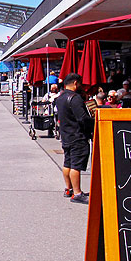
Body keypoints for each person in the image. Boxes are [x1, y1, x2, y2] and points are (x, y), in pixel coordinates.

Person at [55, 73, 92, 204]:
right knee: (76, 165)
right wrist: (91, 125)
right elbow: (82, 118)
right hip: (77, 136)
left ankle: (68, 188)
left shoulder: (60, 98)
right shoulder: (75, 98)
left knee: (67, 162)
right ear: (75, 83)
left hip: (66, 135)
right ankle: (77, 193)